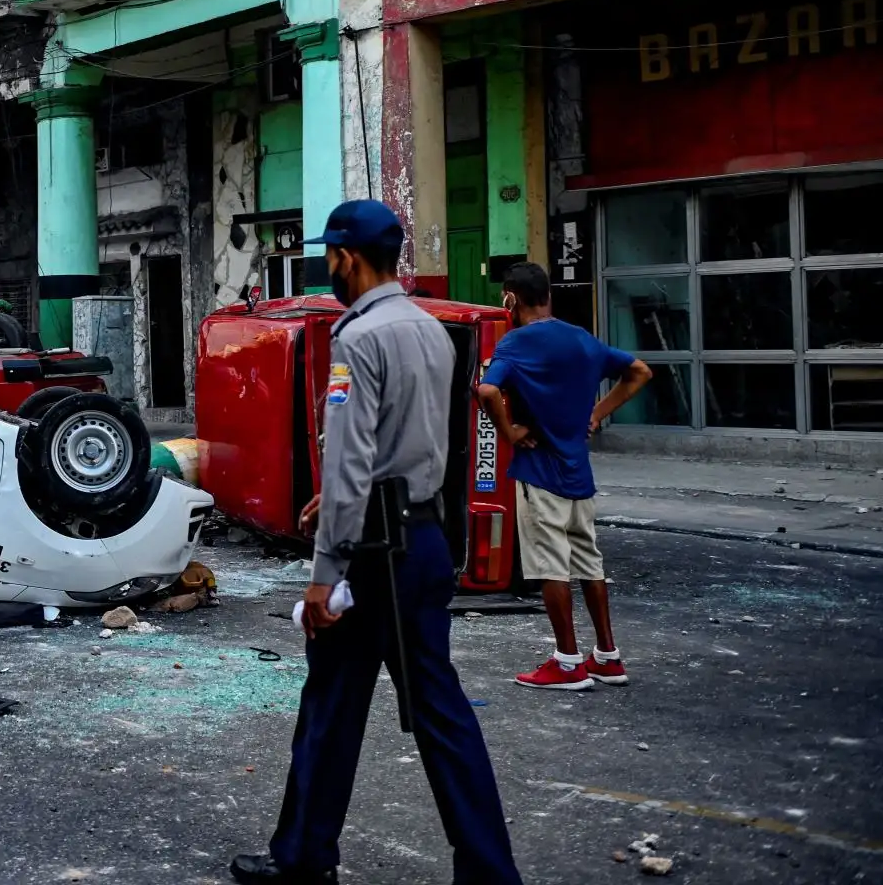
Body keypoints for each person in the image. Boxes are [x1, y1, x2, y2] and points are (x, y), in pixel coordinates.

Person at [230, 199, 522, 885]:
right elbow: (409, 443)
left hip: (369, 553)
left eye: (329, 258)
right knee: (438, 713)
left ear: (346, 259)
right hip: (421, 539)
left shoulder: (357, 339)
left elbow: (353, 455)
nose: (328, 268)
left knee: (333, 704)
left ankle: (304, 857)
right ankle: (486, 871)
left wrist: (322, 572)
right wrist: (336, 499)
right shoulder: (428, 329)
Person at [477, 262, 652, 691]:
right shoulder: (583, 340)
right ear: (549, 296)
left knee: (550, 567)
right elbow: (640, 372)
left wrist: (510, 432)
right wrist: (596, 413)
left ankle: (568, 661)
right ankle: (607, 657)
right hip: (579, 475)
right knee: (590, 565)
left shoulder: (516, 344)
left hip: (540, 476)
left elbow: (485, 390)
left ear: (510, 298)